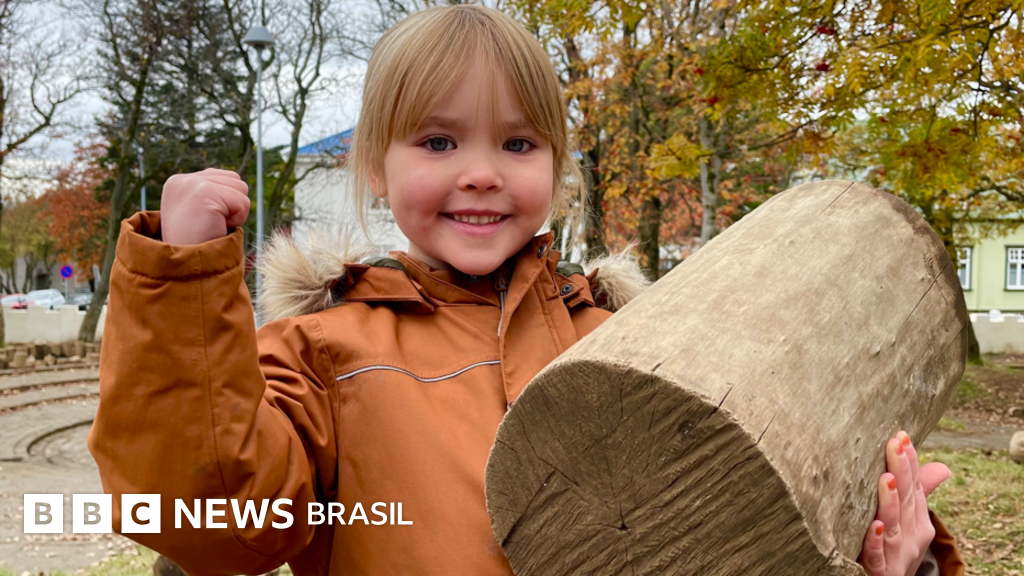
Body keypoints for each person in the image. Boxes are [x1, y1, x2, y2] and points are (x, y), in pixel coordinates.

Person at [88, 5, 964, 576]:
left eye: (516, 144)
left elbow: (742, 531)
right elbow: (211, 521)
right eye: (436, 142)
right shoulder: (323, 355)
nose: (479, 174)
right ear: (376, 171)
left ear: (556, 167)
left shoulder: (643, 339)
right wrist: (182, 284)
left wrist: (889, 564)